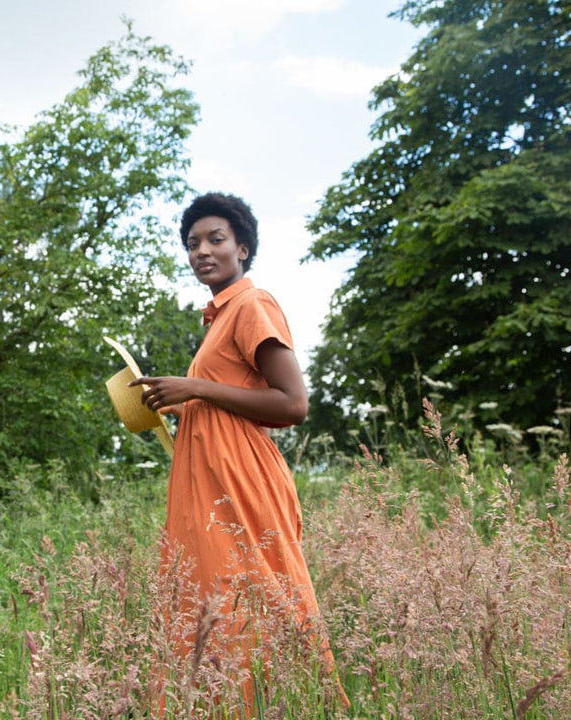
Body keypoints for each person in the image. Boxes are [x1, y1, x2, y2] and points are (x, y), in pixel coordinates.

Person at [131, 192, 349, 711]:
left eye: (215, 239)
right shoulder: (217, 320)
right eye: (192, 244)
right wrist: (174, 404)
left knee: (257, 590)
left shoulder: (253, 304)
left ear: (243, 248)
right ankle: (220, 704)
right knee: (210, 594)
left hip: (241, 479)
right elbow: (232, 404)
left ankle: (294, 702)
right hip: (207, 475)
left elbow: (293, 405)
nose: (201, 251)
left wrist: (197, 389)